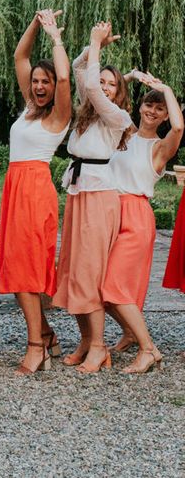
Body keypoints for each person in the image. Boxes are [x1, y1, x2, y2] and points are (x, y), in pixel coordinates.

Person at [52, 22, 133, 373]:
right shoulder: (89, 114)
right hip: (79, 192)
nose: (103, 86)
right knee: (73, 270)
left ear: (119, 94)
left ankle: (100, 346)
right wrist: (91, 47)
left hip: (99, 197)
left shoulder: (116, 116)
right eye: (103, 81)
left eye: (111, 84)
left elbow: (90, 85)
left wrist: (96, 44)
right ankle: (86, 340)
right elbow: (80, 69)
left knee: (90, 272)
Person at [0, 10, 71, 374]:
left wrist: (56, 38)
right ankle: (47, 334)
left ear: (56, 86)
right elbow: (20, 57)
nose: (40, 86)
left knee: (26, 269)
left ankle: (35, 346)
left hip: (35, 190)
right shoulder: (28, 107)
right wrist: (37, 23)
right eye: (37, 81)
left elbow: (67, 74)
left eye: (47, 81)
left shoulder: (59, 116)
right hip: (15, 187)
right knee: (16, 266)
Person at [102, 73, 182, 373]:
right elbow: (105, 99)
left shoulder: (160, 148)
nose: (152, 110)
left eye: (159, 108)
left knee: (114, 287)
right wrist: (126, 77)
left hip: (136, 214)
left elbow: (180, 126)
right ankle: (130, 334)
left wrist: (165, 89)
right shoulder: (125, 133)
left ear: (163, 115)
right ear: (140, 106)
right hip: (110, 211)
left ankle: (149, 349)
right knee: (104, 289)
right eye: (149, 104)